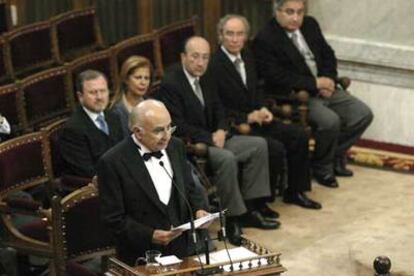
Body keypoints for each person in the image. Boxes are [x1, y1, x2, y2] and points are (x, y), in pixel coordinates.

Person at [155, 36, 279, 246]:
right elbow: (177, 124)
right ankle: (232, 220)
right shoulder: (171, 83)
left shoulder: (207, 75)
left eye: (205, 57)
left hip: (217, 137)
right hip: (195, 145)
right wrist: (209, 137)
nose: (200, 62)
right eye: (195, 57)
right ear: (183, 57)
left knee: (258, 145)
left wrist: (221, 128)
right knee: (227, 158)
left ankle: (252, 208)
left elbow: (219, 106)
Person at [253, 0, 373, 187]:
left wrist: (329, 80)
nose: (295, 18)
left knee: (362, 114)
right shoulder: (266, 38)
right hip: (298, 96)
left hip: (326, 88)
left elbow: (327, 54)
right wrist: (315, 83)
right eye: (290, 12)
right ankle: (323, 168)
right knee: (330, 121)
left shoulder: (310, 24)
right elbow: (277, 77)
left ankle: (325, 158)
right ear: (277, 12)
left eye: (300, 12)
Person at [210, 14, 321, 209]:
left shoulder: (248, 55)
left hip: (258, 118)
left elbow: (260, 86)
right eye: (230, 34)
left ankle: (295, 191)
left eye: (239, 34)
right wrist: (247, 117)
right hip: (238, 126)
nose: (235, 39)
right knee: (273, 148)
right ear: (220, 36)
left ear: (245, 37)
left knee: (298, 135)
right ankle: (261, 203)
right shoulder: (213, 65)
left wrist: (263, 107)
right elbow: (216, 106)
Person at [97, 99, 210, 265]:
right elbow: (113, 219)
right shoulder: (112, 162)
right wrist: (150, 235)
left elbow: (190, 187)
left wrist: (199, 209)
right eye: (158, 130)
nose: (166, 136)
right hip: (140, 254)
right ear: (138, 132)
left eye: (169, 127)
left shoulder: (176, 146)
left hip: (181, 248)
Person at [59, 70, 124, 178]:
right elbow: (87, 171)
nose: (99, 97)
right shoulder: (73, 129)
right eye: (93, 92)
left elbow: (123, 152)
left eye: (103, 91)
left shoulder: (113, 117)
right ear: (80, 96)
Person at [110, 55, 153, 137]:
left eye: (146, 78)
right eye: (138, 78)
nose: (143, 83)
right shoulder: (115, 113)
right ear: (126, 79)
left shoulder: (152, 104)